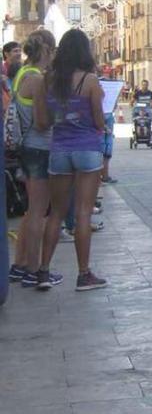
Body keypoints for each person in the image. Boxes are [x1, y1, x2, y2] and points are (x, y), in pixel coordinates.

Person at [34, 29, 107, 291]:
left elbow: (42, 122)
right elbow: (99, 121)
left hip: (59, 150)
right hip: (87, 149)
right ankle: (84, 274)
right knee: (83, 212)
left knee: (56, 212)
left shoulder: (48, 80)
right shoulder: (90, 81)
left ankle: (43, 271)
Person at [6, 30, 63, 288]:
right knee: (40, 212)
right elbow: (42, 122)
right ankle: (33, 268)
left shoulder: (20, 74)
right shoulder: (38, 79)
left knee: (31, 212)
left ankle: (19, 265)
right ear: (48, 50)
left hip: (26, 148)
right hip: (40, 148)